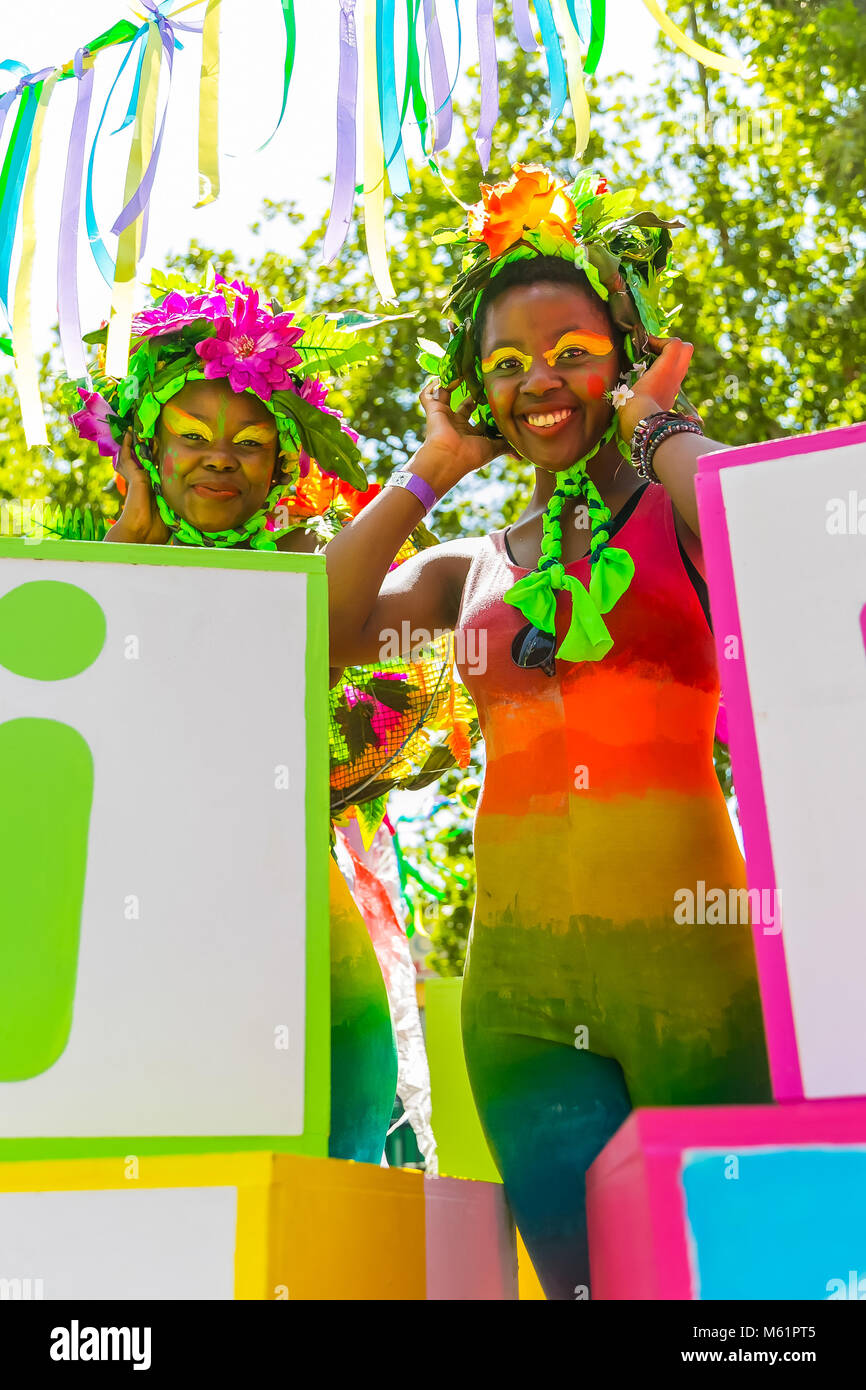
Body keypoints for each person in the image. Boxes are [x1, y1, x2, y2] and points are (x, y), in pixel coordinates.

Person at [325, 165, 772, 1298]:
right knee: (580, 1294)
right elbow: (309, 631)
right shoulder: (468, 567)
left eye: (571, 349)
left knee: (734, 1296)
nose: (541, 383)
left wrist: (660, 424)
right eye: (508, 363)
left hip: (697, 967)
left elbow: (769, 541)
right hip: (517, 1001)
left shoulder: (679, 508)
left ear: (619, 350)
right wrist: (429, 471)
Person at [69, 274, 399, 1164]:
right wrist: (125, 562)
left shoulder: (310, 573)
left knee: (347, 1143)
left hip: (299, 923)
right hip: (143, 926)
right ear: (144, 450)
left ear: (284, 464)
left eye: (251, 444)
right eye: (190, 437)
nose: (220, 457)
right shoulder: (73, 588)